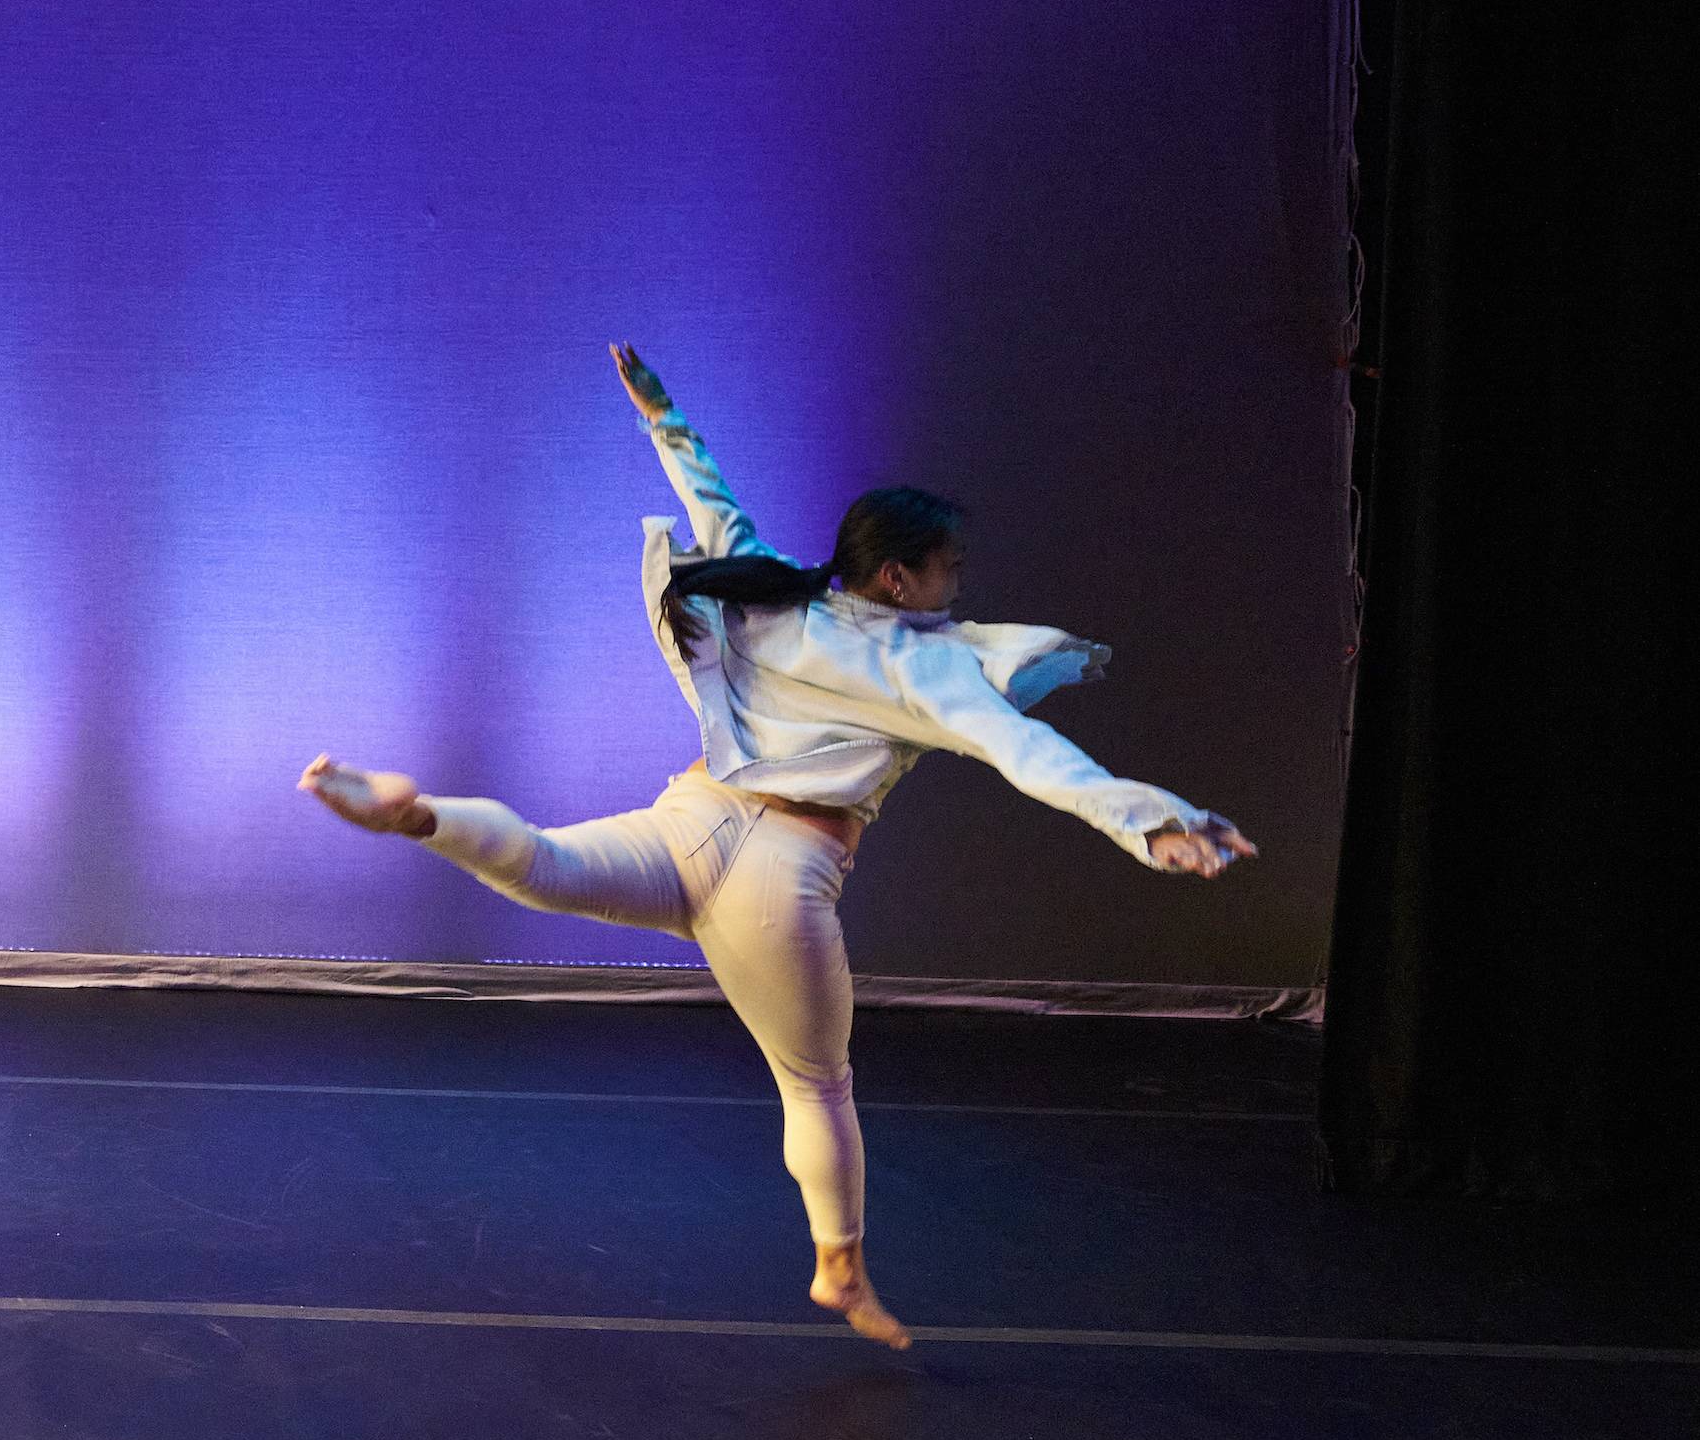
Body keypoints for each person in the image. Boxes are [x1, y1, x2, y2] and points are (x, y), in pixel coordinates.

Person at [301, 344, 1253, 1347]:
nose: (957, 584)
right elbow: (1027, 752)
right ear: (898, 575)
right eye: (948, 568)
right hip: (777, 876)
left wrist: (661, 420)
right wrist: (1150, 822)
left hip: (685, 819)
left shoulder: (779, 594)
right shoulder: (925, 666)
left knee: (539, 861)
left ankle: (419, 816)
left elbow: (718, 511)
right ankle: (838, 1270)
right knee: (815, 1083)